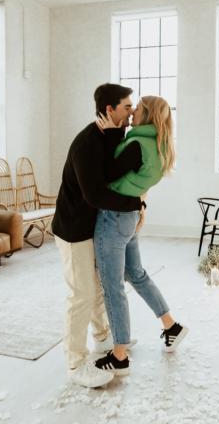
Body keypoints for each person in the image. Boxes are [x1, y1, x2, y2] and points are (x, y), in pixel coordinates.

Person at [52, 83, 147, 388]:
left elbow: (112, 171)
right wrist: (136, 203)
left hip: (91, 226)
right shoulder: (87, 143)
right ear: (111, 110)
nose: (132, 111)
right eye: (127, 106)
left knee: (97, 288)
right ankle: (76, 363)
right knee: (81, 295)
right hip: (73, 230)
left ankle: (103, 337)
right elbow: (95, 194)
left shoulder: (105, 137)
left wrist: (116, 135)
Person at [94, 96, 189, 376]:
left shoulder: (136, 145)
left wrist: (111, 135)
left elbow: (107, 174)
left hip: (114, 217)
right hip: (131, 215)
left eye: (137, 107)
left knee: (112, 286)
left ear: (146, 113)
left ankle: (120, 355)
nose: (132, 110)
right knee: (136, 274)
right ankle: (171, 325)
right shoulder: (160, 144)